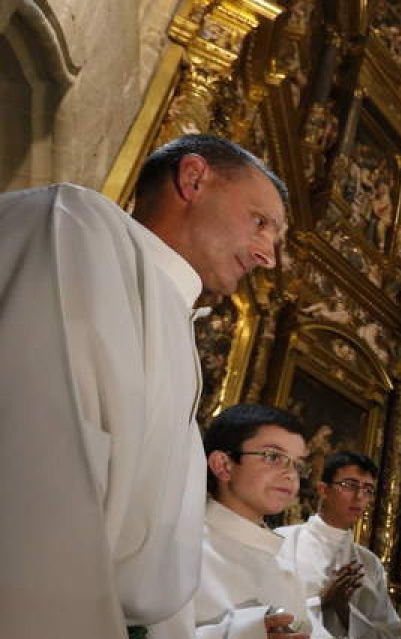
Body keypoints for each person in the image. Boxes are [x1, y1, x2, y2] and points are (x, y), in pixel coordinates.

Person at [0, 134, 287, 638]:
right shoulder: (74, 224)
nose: (269, 257)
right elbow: (33, 470)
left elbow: (149, 566)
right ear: (193, 178)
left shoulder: (174, 318)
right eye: (260, 223)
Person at [150, 404, 321, 638]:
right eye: (273, 457)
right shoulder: (176, 546)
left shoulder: (283, 562)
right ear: (223, 465)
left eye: (298, 464)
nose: (291, 474)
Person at [276, 451, 401, 638]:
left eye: (368, 489)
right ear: (323, 489)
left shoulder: (369, 563)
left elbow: (389, 633)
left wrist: (345, 612)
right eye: (349, 485)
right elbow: (262, 614)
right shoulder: (282, 542)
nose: (359, 496)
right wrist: (322, 601)